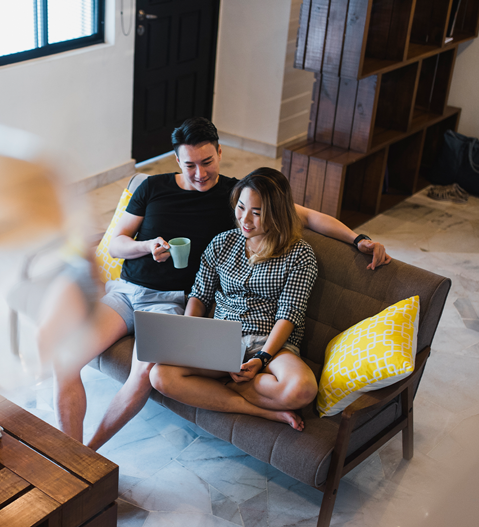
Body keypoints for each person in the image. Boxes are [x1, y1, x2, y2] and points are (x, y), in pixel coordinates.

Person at [41, 117, 390, 450]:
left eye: (207, 161)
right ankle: (72, 455)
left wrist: (358, 239)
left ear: (220, 152)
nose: (200, 173)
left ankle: (88, 454)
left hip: (171, 304)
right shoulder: (153, 188)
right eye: (189, 165)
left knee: (146, 372)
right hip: (128, 291)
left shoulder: (238, 195)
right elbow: (116, 242)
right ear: (176, 162)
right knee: (66, 358)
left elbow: (306, 216)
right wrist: (147, 247)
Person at [150, 168, 318, 430]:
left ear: (278, 213)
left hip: (272, 345)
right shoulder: (222, 243)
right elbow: (200, 294)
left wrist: (262, 358)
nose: (245, 220)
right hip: (222, 340)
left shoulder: (300, 254)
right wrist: (186, 335)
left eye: (257, 212)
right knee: (161, 375)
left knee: (302, 390)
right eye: (241, 207)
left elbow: (290, 313)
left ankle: (222, 385)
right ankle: (259, 410)